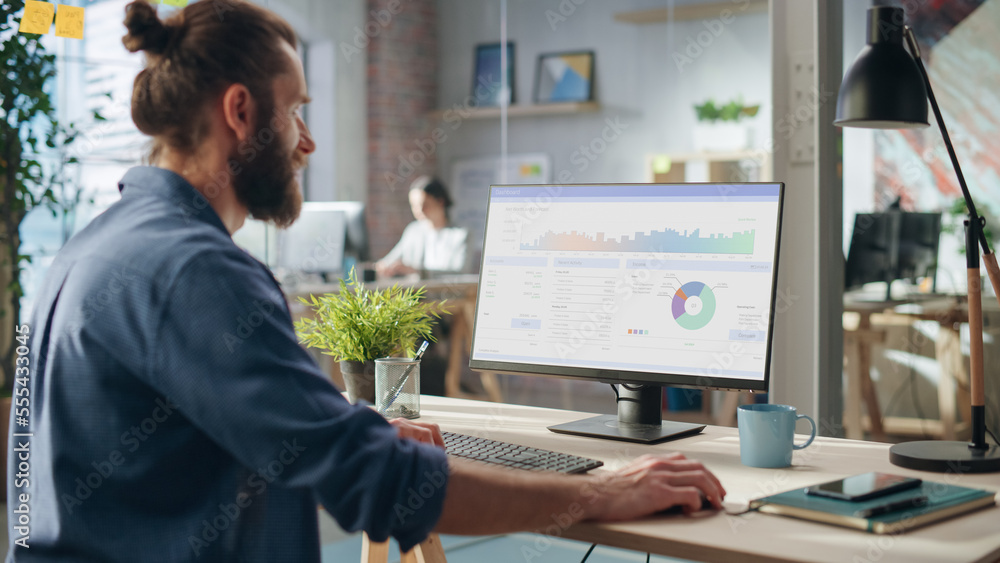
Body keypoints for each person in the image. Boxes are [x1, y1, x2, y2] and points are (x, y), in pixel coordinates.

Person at [7, 1, 726, 561]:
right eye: (297, 112)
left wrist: (347, 427)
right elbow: (374, 482)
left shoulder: (85, 252)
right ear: (241, 111)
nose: (306, 142)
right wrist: (599, 492)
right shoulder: (198, 271)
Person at [375, 176, 469, 277]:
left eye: (424, 205)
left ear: (440, 202)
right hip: (414, 292)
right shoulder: (413, 231)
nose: (419, 210)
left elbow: (460, 272)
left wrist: (417, 271)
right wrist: (383, 266)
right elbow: (390, 260)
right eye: (414, 206)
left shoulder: (461, 234)